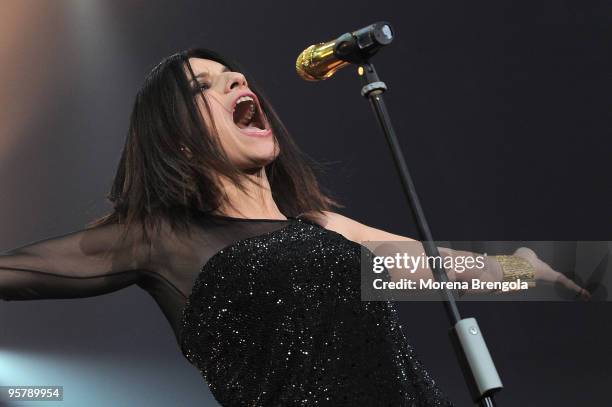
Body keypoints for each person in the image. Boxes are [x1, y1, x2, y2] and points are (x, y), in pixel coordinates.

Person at [0, 48, 589, 406]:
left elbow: (444, 272)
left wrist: (533, 270)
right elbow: (14, 272)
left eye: (233, 74)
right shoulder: (164, 239)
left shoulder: (321, 226)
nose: (235, 81)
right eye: (204, 86)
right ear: (176, 139)